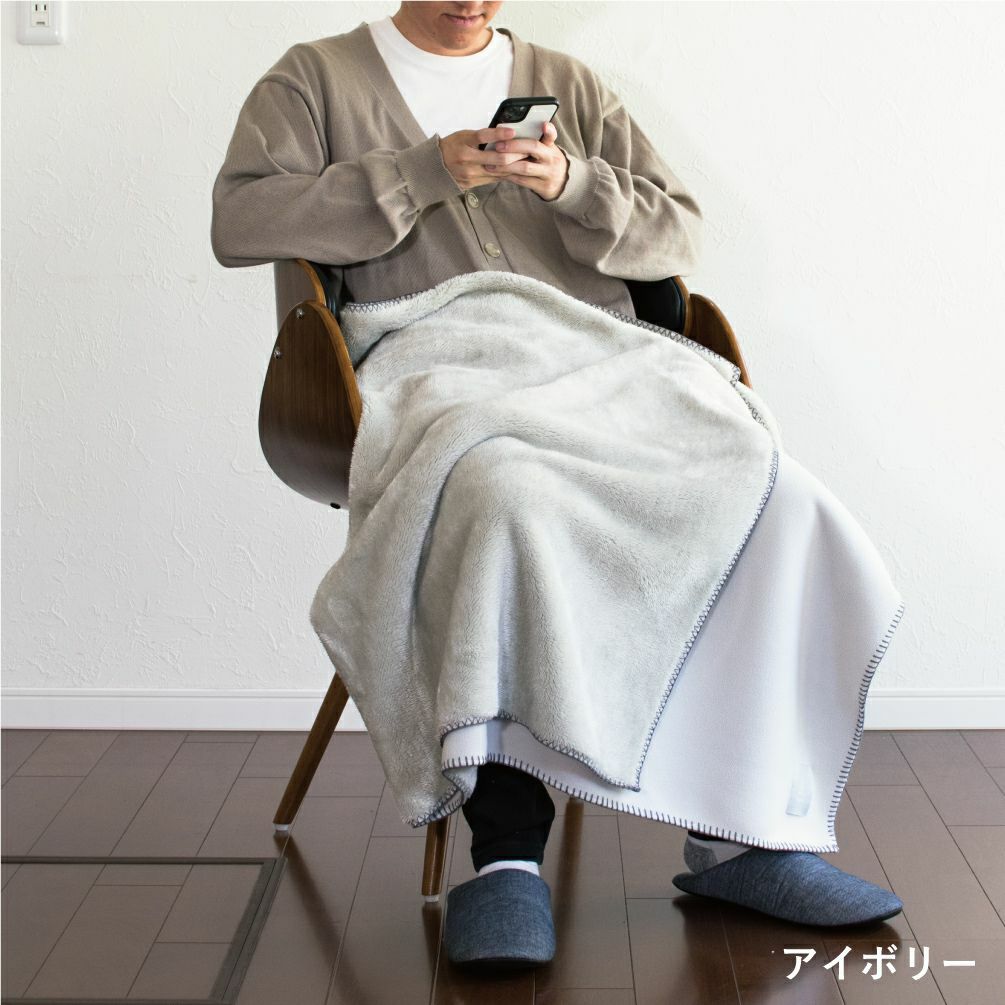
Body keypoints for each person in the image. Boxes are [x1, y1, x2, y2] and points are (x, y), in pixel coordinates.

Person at [211, 1, 903, 970]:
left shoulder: (569, 84)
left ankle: (742, 835)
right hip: (434, 351)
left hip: (602, 353)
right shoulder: (314, 77)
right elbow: (240, 221)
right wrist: (419, 173)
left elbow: (677, 234)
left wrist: (573, 182)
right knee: (499, 489)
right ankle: (505, 857)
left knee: (768, 491)